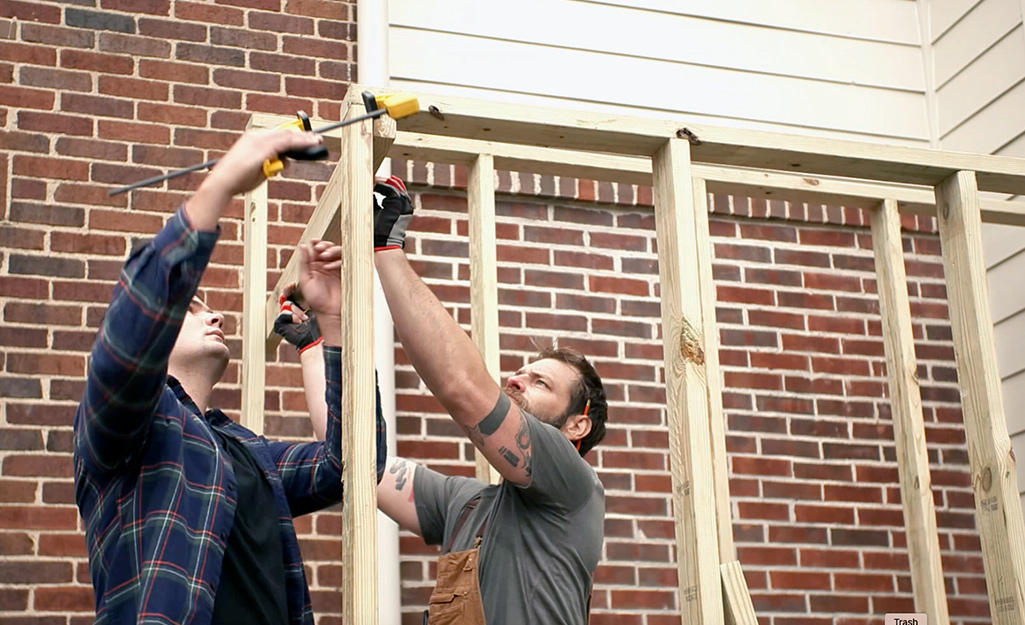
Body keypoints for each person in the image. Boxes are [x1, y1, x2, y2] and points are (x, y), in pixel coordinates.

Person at [73, 128, 386, 625]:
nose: (214, 315)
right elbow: (129, 338)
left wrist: (327, 327)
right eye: (193, 308)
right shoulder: (128, 429)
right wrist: (220, 186)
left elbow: (349, 465)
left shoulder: (244, 451)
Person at [279, 177, 609, 624]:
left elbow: (464, 389)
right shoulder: (465, 503)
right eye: (520, 371)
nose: (515, 379)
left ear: (577, 426)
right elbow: (355, 461)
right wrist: (321, 340)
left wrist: (387, 249)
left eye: (540, 383)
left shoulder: (574, 484)